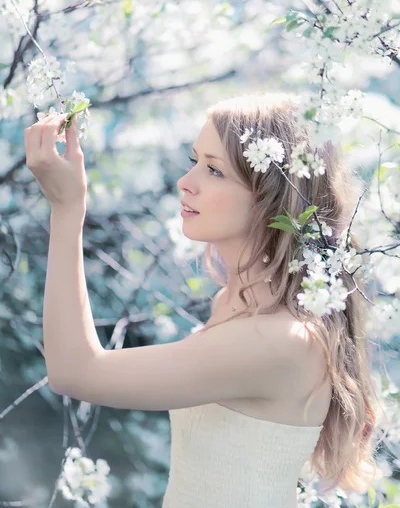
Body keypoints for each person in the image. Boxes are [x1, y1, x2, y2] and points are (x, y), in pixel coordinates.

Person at [29, 93, 381, 507]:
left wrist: (67, 211)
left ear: (270, 198)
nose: (186, 182)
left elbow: (75, 372)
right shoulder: (235, 305)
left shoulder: (280, 340)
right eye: (194, 160)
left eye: (214, 170)